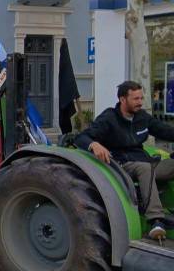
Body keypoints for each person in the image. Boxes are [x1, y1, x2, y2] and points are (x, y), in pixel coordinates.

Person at [75, 80, 174, 241]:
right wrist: (94, 144)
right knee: (145, 169)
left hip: (146, 162)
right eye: (136, 99)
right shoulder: (109, 118)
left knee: (150, 167)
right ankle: (156, 220)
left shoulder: (142, 117)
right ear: (122, 99)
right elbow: (81, 137)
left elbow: (165, 131)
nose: (140, 102)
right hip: (121, 165)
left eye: (141, 98)